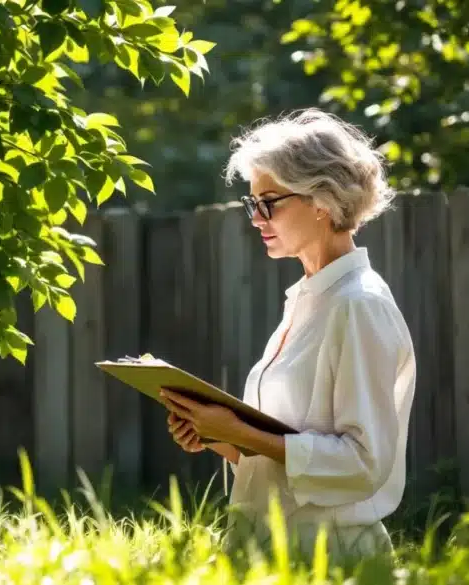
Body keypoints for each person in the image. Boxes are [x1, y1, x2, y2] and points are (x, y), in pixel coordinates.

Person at [157, 108, 416, 564]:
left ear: (322, 201)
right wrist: (214, 435)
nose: (256, 218)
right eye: (251, 203)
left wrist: (239, 432)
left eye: (268, 202)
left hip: (332, 556)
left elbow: (363, 465)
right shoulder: (307, 299)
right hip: (266, 551)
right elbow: (288, 460)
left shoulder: (359, 304)